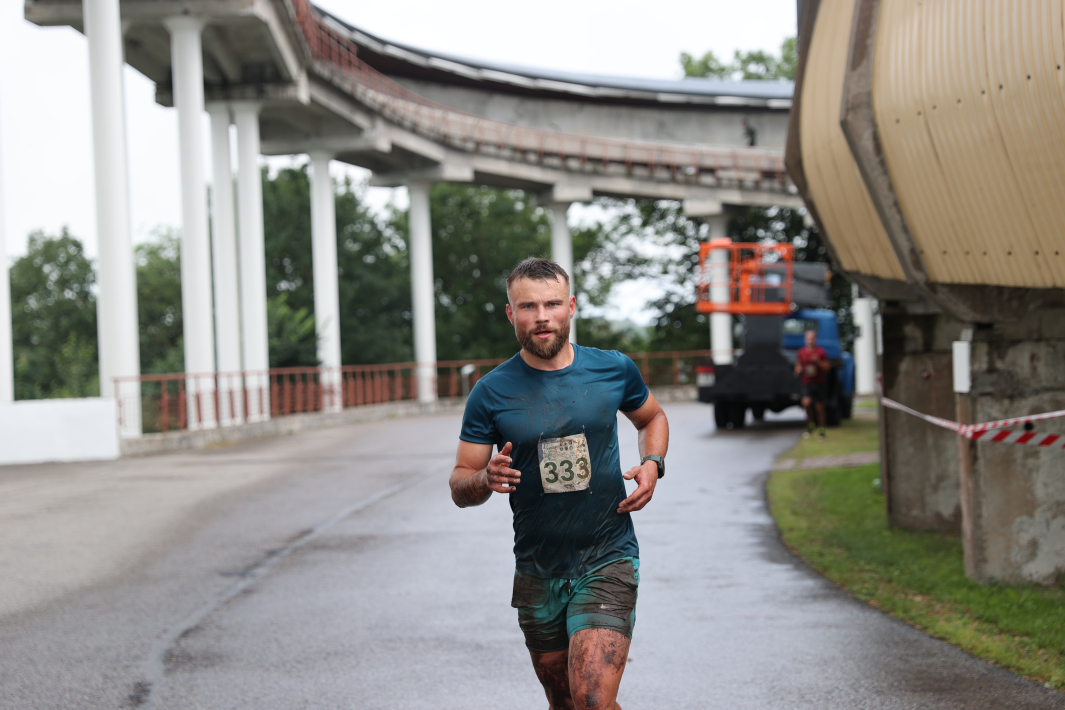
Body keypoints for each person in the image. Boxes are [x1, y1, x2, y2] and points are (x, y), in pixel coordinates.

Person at [449, 258, 669, 710]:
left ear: (570, 307)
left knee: (591, 698)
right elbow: (459, 483)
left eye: (552, 304)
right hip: (537, 568)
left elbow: (652, 418)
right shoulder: (490, 392)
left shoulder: (612, 369)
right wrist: (484, 478)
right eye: (528, 306)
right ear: (511, 314)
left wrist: (652, 462)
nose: (542, 316)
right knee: (564, 700)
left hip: (607, 557)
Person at [794, 328, 830, 439]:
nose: (810, 341)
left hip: (819, 383)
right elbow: (798, 364)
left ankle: (822, 430)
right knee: (806, 404)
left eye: (812, 338)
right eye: (808, 338)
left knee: (819, 408)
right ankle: (811, 425)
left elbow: (827, 368)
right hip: (806, 383)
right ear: (805, 340)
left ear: (815, 339)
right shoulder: (801, 352)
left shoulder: (820, 352)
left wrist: (818, 361)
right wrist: (798, 369)